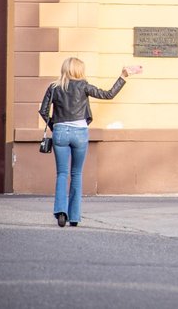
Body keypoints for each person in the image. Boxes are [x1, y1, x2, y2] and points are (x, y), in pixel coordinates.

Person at [39, 57, 141, 227]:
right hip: (80, 133)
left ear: (65, 69)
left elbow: (43, 111)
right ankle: (74, 216)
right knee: (77, 174)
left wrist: (55, 126)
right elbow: (107, 94)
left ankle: (61, 212)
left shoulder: (54, 87)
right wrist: (123, 76)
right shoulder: (84, 85)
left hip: (60, 133)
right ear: (80, 70)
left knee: (62, 174)